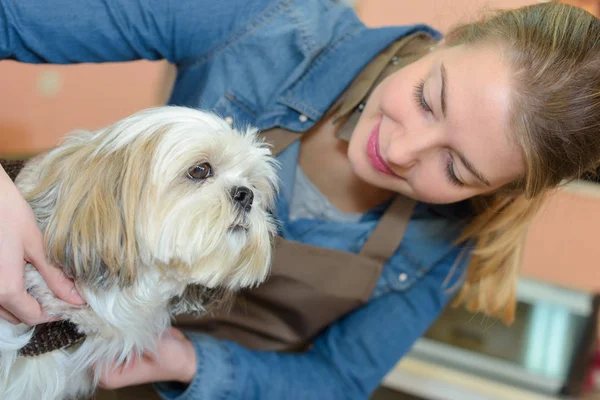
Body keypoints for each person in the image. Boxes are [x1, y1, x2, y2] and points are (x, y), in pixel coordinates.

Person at [0, 0, 599, 398]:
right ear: (454, 39)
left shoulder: (443, 246)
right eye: (428, 99)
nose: (403, 147)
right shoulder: (265, 21)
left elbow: (337, 379)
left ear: (497, 189)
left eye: (456, 167)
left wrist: (192, 365)